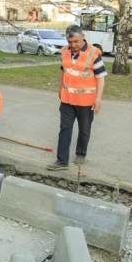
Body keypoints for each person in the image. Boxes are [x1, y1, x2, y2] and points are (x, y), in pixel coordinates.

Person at [46, 24, 106, 170]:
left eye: (76, 42)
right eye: (70, 42)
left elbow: (101, 77)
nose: (73, 45)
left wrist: (98, 98)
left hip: (86, 101)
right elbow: (64, 70)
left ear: (83, 37)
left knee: (84, 129)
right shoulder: (65, 51)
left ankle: (81, 153)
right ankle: (62, 161)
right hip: (67, 99)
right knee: (65, 129)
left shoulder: (93, 53)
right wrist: (60, 87)